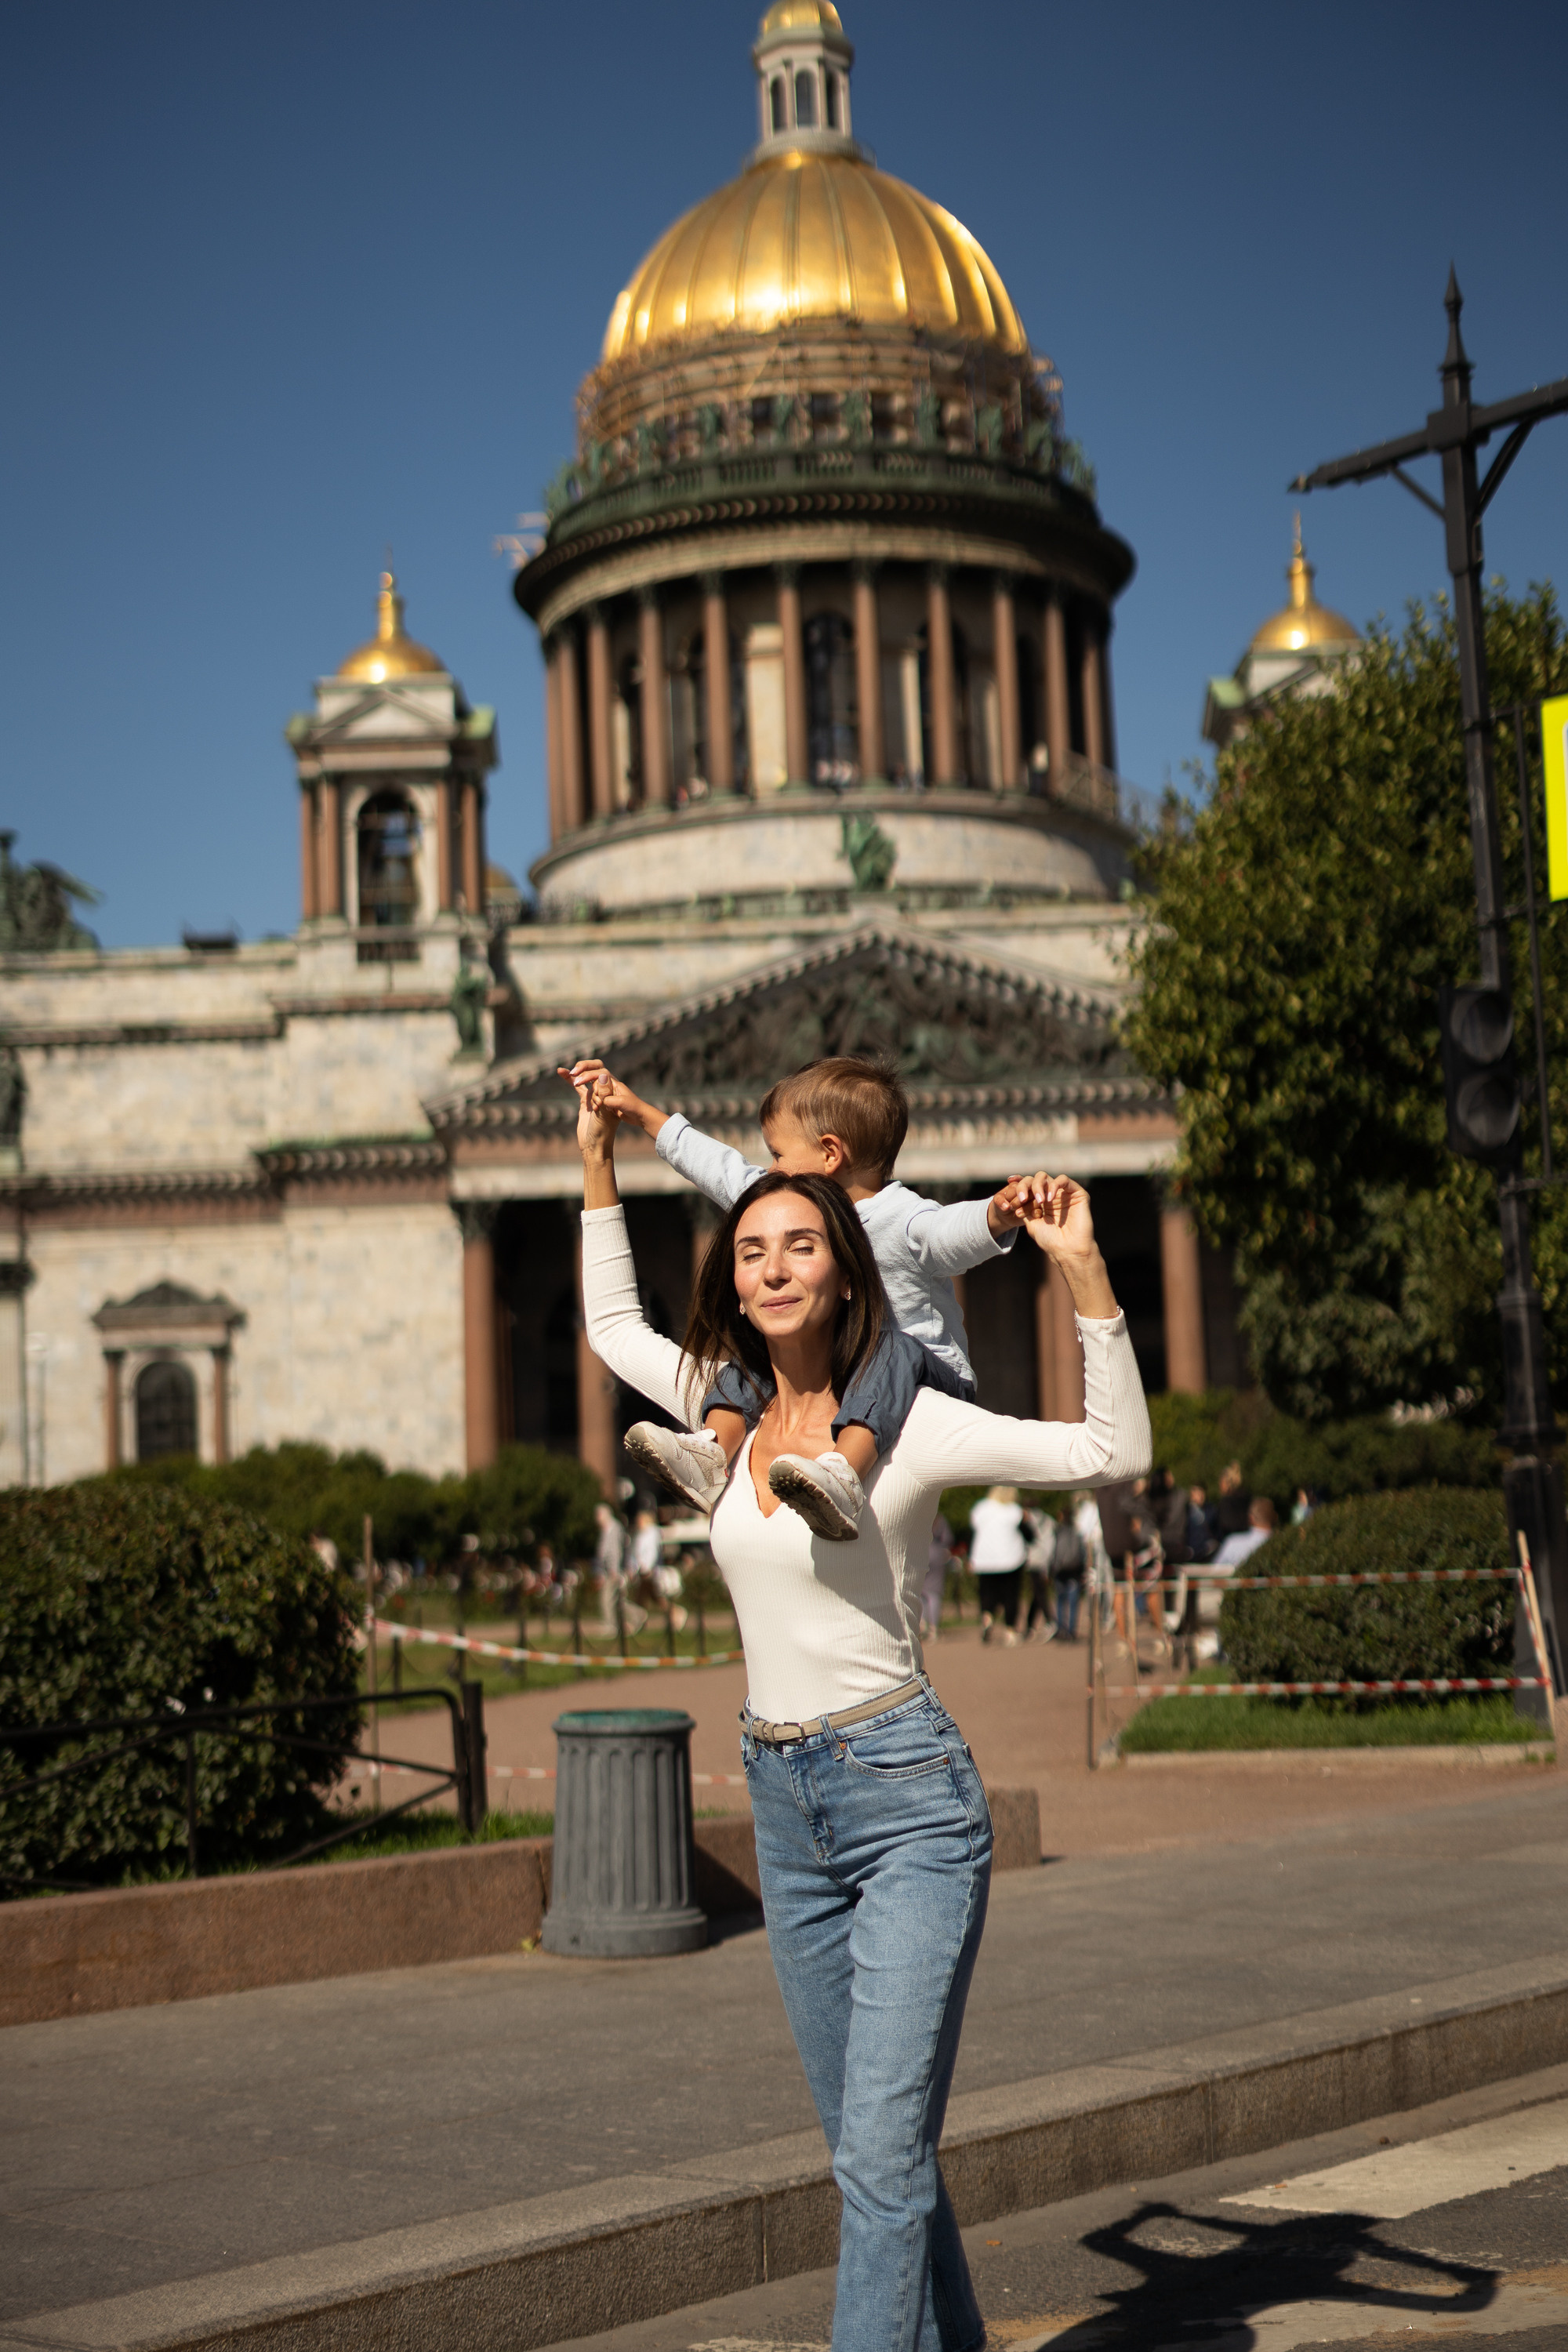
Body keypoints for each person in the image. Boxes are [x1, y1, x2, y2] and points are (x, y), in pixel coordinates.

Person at [569, 1070, 1149, 2352]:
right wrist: (601, 1162)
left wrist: (1085, 1275)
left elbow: (1111, 1458)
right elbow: (612, 1324)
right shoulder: (718, 1416)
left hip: (908, 1802)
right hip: (783, 1801)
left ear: (845, 1271)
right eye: (754, 1250)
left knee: (879, 2168)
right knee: (872, 2155)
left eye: (803, 1246)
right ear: (734, 1280)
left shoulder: (922, 1417)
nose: (776, 1267)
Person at [562, 1053, 1047, 1543]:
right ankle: (710, 1453)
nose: (768, 1169)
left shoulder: (902, 1218)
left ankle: (842, 1475)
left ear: (829, 1154)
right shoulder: (799, 1206)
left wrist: (1000, 1213)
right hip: (848, 1362)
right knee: (753, 1361)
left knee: (890, 1348)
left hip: (925, 1373)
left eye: (776, 1155)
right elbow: (721, 1170)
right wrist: (642, 1114)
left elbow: (949, 1232)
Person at [969, 1485, 1026, 1646]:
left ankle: (987, 1617)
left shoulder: (981, 1508)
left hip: (984, 1558)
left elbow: (973, 1529)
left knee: (987, 1593)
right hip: (1011, 1558)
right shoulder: (1014, 1510)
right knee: (1011, 1596)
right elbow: (1027, 1532)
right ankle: (1010, 1630)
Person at [1211, 1493, 1278, 1570]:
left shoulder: (1233, 1543)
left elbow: (1214, 1571)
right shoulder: (1283, 1543)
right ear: (1275, 1518)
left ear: (1251, 1518)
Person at [1022, 1505, 1057, 1640]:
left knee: (1040, 1593)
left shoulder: (1028, 1522)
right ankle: (1030, 1625)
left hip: (1036, 1560)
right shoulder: (1048, 1520)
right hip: (1046, 1559)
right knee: (1037, 1593)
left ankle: (1050, 1621)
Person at [1051, 1503, 1086, 1641]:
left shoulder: (1057, 1532)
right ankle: (1071, 1631)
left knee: (1060, 1600)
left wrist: (1050, 1568)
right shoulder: (1076, 1533)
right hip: (1074, 1571)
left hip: (1060, 1570)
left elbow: (1052, 1552)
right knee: (1072, 1602)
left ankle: (1061, 1629)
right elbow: (1082, 1553)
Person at [921, 1512, 952, 1640]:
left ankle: (922, 1625)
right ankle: (933, 1628)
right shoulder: (939, 1518)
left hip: (920, 1553)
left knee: (920, 1593)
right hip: (937, 1555)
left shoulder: (920, 1515)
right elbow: (948, 1539)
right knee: (933, 1594)